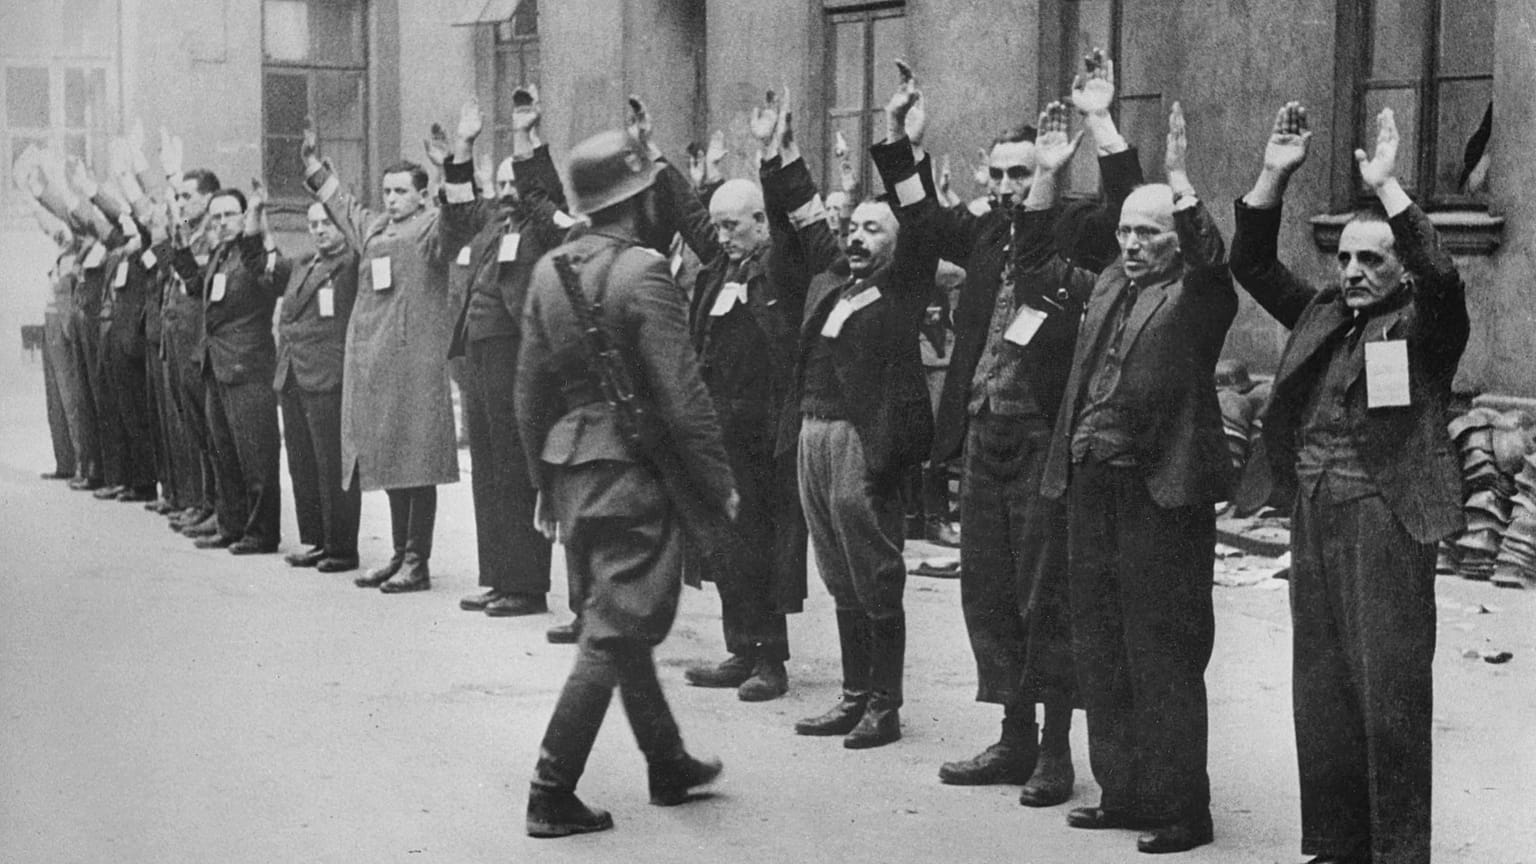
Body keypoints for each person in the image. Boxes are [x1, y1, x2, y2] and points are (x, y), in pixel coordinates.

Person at [883, 52, 1141, 802]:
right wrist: (902, 141)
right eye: (996, 175)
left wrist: (1098, 126)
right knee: (989, 594)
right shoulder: (988, 236)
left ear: (1044, 171)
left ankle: (1057, 749)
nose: (1004, 189)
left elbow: (1128, 199)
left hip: (1043, 442)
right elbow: (919, 216)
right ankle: (1014, 736)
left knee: (1045, 594)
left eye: (1018, 175)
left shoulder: (1077, 227)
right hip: (983, 436)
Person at [1231, 104, 1467, 864]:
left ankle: (1399, 852)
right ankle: (1338, 844)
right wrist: (1276, 173)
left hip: (1385, 519)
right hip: (1316, 510)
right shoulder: (1325, 313)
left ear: (1400, 266)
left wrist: (1391, 187)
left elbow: (1445, 273)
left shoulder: (1428, 327)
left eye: (1372, 259)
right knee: (1321, 686)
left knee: (1389, 693)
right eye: (1344, 258)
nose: (1353, 272)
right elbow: (1254, 266)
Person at [1025, 98, 1235, 854]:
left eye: (1151, 232)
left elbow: (1217, 268)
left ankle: (1184, 808)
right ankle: (1124, 791)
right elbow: (1033, 268)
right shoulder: (1111, 282)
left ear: (1177, 238)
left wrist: (1178, 179)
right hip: (1090, 483)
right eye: (1127, 232)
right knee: (1100, 642)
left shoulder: (1198, 297)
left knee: (1162, 650)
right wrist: (1047, 179)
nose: (1135, 243)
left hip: (1160, 494)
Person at [515, 129, 736, 838]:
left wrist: (543, 483)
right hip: (632, 473)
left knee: (618, 611)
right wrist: (717, 480)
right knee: (614, 628)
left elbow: (526, 393)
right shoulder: (644, 272)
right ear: (637, 200)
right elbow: (683, 393)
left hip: (572, 467)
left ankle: (665, 761)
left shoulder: (551, 270)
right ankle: (551, 790)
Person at [763, 79, 936, 750]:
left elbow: (919, 225)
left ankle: (885, 705)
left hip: (864, 441)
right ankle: (854, 694)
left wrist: (899, 139)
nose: (859, 237)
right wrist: (779, 157)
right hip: (811, 433)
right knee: (837, 569)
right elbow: (808, 215)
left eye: (874, 228)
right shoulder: (837, 278)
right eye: (856, 228)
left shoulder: (904, 285)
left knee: (875, 570)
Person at [677, 92, 811, 703]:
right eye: (720, 225)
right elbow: (693, 222)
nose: (723, 235)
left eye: (734, 226)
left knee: (764, 544)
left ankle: (770, 659)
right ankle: (740, 647)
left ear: (760, 223)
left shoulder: (778, 266)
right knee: (726, 543)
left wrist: (768, 156)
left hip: (765, 430)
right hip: (720, 427)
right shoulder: (717, 270)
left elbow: (788, 223)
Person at [303, 122, 461, 593]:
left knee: (418, 460)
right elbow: (343, 206)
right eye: (387, 190)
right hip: (376, 360)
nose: (391, 198)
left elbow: (458, 216)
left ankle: (418, 560)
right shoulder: (375, 227)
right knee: (392, 457)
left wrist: (448, 165)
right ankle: (398, 554)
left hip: (416, 362)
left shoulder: (433, 225)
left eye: (400, 191)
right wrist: (314, 165)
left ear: (421, 195)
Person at [440, 91, 570, 619]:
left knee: (517, 467)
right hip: (480, 356)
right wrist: (464, 147)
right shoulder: (492, 223)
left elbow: (547, 192)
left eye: (513, 184)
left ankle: (525, 584)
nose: (506, 192)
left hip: (520, 354)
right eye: (500, 185)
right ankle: (496, 574)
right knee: (489, 467)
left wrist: (524, 139)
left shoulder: (542, 222)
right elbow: (456, 210)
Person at [171, 183, 285, 554]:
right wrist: (180, 230)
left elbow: (268, 272)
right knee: (224, 453)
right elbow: (192, 282)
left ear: (244, 216)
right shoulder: (220, 255)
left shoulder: (253, 255)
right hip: (216, 366)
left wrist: (255, 220)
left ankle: (262, 532)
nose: (220, 223)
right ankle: (232, 524)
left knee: (256, 456)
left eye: (228, 215)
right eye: (215, 216)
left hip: (247, 365)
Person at [273, 200, 362, 573]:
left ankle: (341, 547)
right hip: (293, 371)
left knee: (331, 464)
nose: (320, 229)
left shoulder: (352, 263)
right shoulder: (303, 263)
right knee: (302, 462)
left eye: (327, 221)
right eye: (313, 223)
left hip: (328, 374)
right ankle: (316, 540)